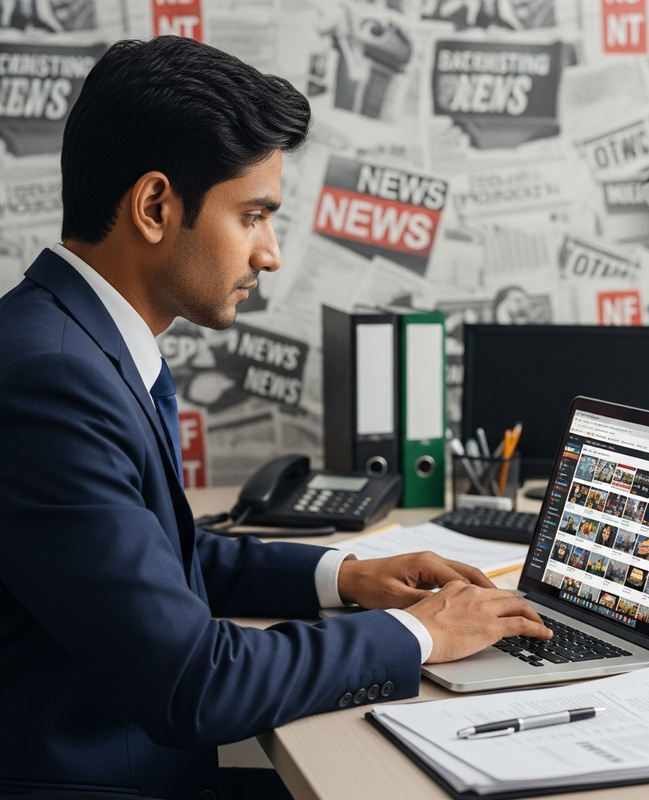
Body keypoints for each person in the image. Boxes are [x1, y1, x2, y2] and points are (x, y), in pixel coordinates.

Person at [0, 36, 551, 800]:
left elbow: (162, 558)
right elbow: (195, 681)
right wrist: (422, 633)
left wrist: (348, 577)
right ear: (155, 206)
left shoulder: (74, 340)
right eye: (253, 215)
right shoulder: (52, 378)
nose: (271, 254)